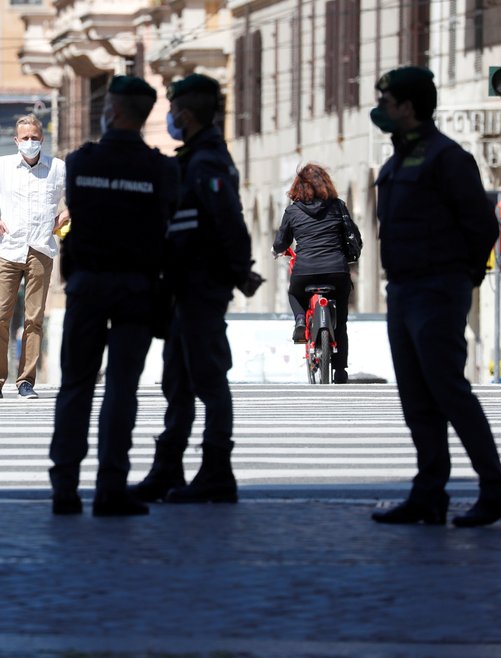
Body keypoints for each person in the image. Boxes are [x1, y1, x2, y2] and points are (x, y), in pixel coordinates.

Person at [369, 66, 501, 527]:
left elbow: (481, 225)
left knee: (449, 391)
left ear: (408, 107)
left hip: (436, 289)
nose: (381, 110)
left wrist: (462, 279)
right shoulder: (397, 160)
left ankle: (495, 490)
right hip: (404, 289)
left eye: (388, 102)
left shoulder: (446, 158)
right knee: (416, 398)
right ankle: (429, 493)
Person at [48, 76, 180, 517]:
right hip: (138, 291)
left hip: (87, 287)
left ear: (116, 112)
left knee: (76, 386)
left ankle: (65, 488)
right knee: (122, 390)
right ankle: (110, 489)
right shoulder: (160, 169)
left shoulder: (81, 163)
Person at [130, 73, 263, 505]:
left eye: (172, 108)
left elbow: (228, 223)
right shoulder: (193, 159)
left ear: (185, 113)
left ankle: (217, 472)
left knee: (207, 379)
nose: (169, 116)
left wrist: (238, 273)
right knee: (178, 380)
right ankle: (169, 467)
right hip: (183, 288)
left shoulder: (206, 163)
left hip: (201, 288)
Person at [0, 115, 69, 400]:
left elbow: (79, 196)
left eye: (35, 137)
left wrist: (63, 217)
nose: (30, 142)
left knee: (34, 319)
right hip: (9, 251)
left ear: (42, 139)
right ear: (16, 141)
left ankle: (26, 382)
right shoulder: (2, 166)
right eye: (25, 138)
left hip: (41, 250)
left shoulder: (58, 168)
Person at [272, 163, 358, 384]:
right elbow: (353, 235)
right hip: (337, 271)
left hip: (305, 271)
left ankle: (300, 319)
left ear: (297, 187)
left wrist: (277, 250)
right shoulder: (338, 207)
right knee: (342, 321)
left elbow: (282, 241)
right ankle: (340, 371)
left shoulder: (292, 211)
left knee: (293, 293)